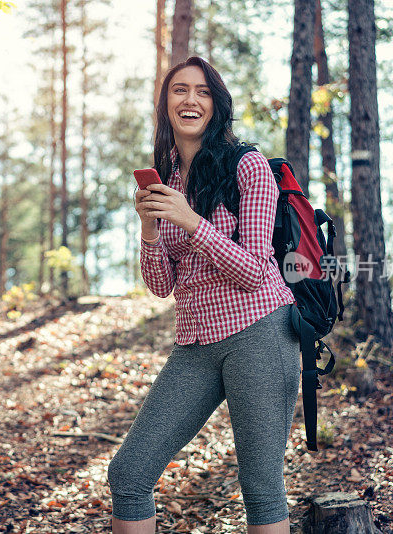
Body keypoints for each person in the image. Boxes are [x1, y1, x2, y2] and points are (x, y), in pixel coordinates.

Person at [106, 56, 301, 534]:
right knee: (129, 474)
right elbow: (160, 286)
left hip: (261, 334)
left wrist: (191, 221)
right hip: (194, 345)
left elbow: (255, 272)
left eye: (202, 92)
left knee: (260, 487)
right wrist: (151, 225)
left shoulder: (248, 166)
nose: (190, 100)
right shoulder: (169, 177)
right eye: (179, 90)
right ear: (166, 104)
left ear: (216, 104)